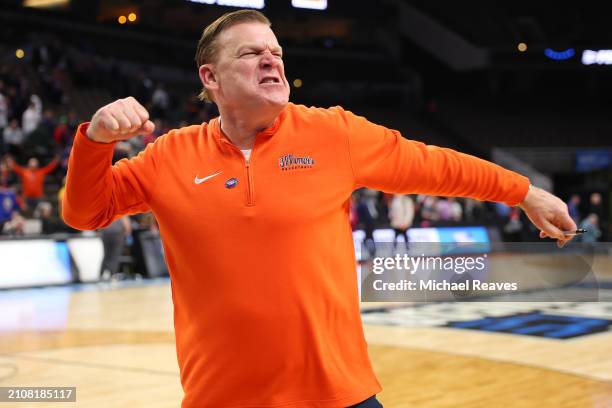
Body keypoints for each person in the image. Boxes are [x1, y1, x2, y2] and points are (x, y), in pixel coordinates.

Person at [62, 10, 576, 408]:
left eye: (276, 51)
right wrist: (96, 141)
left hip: (338, 394)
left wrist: (522, 191)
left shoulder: (333, 133)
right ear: (211, 77)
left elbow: (434, 165)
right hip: (222, 398)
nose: (272, 60)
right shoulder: (169, 157)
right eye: (251, 53)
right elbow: (85, 212)